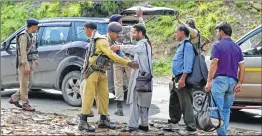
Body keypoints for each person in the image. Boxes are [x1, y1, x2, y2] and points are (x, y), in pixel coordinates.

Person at [78, 22, 138, 132]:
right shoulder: (102, 41)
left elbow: (120, 54)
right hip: (93, 72)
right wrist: (127, 63)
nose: (118, 35)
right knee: (89, 97)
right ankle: (83, 122)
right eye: (116, 33)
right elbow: (111, 55)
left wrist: (130, 61)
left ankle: (103, 120)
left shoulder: (112, 41)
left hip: (102, 72)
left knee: (104, 97)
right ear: (110, 32)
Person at [111, 9, 152, 132]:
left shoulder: (141, 45)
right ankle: (144, 125)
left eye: (134, 33)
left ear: (139, 33)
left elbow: (132, 48)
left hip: (140, 78)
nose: (132, 35)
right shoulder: (146, 42)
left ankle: (132, 125)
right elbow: (143, 29)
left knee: (135, 102)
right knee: (144, 103)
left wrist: (118, 46)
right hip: (147, 79)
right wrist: (140, 19)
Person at [205, 23, 245, 136]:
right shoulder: (237, 47)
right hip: (233, 82)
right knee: (226, 110)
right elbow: (242, 66)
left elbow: (213, 64)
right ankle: (223, 133)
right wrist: (240, 82)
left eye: (217, 31)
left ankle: (222, 134)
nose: (216, 34)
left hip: (219, 81)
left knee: (218, 110)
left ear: (222, 32)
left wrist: (209, 81)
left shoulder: (217, 45)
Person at [9, 18, 39, 111]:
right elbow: (22, 52)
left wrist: (35, 59)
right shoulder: (23, 36)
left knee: (29, 83)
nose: (37, 28)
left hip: (29, 61)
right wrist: (25, 64)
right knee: (25, 84)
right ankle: (25, 104)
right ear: (32, 26)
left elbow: (32, 49)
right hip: (23, 63)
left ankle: (14, 98)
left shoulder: (31, 36)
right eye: (36, 26)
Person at [172, 25, 197, 135]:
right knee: (174, 100)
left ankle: (191, 128)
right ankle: (173, 122)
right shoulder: (181, 45)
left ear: (182, 33)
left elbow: (188, 64)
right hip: (177, 77)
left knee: (185, 102)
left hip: (183, 77)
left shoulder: (187, 45)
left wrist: (183, 79)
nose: (175, 34)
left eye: (176, 32)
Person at [109, 14, 133, 116]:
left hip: (118, 60)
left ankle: (120, 109)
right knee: (132, 82)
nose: (122, 22)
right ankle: (134, 105)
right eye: (121, 21)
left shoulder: (111, 32)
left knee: (118, 84)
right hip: (128, 59)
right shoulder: (128, 30)